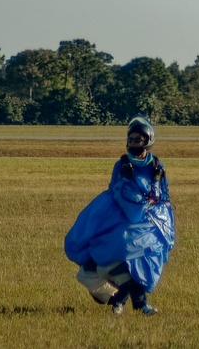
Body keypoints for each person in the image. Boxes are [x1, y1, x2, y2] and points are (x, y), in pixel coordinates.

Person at [65, 117, 176, 316]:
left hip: (150, 221)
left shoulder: (157, 166)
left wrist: (154, 205)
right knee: (122, 258)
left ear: (147, 141)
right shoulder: (122, 165)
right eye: (131, 139)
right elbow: (114, 189)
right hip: (123, 216)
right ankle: (132, 304)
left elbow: (163, 193)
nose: (133, 143)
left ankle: (125, 303)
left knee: (142, 261)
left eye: (138, 140)